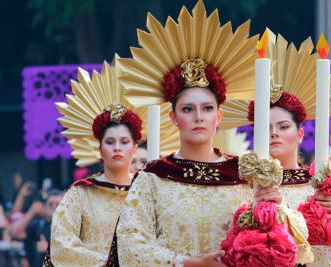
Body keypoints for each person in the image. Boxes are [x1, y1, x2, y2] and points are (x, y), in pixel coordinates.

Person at [116, 2, 308, 266]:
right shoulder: (153, 178)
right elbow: (130, 245)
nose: (198, 116)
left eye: (207, 108)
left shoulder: (245, 174)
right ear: (173, 117)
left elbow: (294, 242)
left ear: (219, 116)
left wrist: (278, 210)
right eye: (187, 109)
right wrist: (189, 262)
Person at [222, 30, 331, 266]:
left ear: (299, 134)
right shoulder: (244, 186)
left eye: (283, 126)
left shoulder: (321, 185)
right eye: (266, 127)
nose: (274, 132)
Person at [48, 60, 144, 266]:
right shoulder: (81, 193)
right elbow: (61, 243)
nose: (117, 147)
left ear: (134, 148)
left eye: (124, 142)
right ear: (100, 149)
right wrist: (107, 261)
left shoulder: (147, 191)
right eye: (110, 142)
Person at [10, 190, 63, 267]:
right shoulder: (39, 225)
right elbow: (16, 233)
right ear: (44, 206)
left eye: (58, 204)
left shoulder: (70, 227)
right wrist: (31, 212)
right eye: (51, 204)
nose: (54, 207)